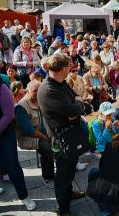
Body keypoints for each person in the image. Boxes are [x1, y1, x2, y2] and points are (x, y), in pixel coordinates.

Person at [0, 55, 36, 212]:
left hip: (3, 132)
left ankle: (24, 196)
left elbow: (8, 115)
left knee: (12, 166)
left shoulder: (0, 86)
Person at [37, 53, 86, 216]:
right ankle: (63, 209)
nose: (71, 69)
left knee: (70, 169)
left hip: (70, 134)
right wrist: (78, 105)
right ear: (63, 69)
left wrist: (76, 105)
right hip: (61, 140)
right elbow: (73, 108)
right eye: (69, 67)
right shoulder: (49, 90)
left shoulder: (60, 83)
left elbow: (75, 100)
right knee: (63, 175)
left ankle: (69, 194)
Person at [15, 80, 55, 188]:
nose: (37, 93)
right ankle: (48, 177)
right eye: (34, 91)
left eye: (39, 90)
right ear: (27, 91)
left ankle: (63, 169)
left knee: (60, 139)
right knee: (48, 148)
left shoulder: (41, 99)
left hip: (43, 132)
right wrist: (45, 137)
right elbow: (29, 130)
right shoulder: (21, 107)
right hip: (29, 137)